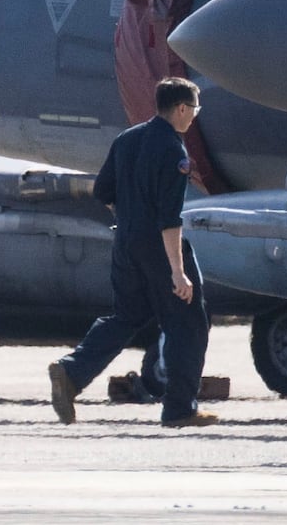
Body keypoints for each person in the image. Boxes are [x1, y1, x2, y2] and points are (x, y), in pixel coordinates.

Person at [48, 77, 217, 428]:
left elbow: (102, 190)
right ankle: (180, 408)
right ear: (182, 108)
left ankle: (72, 371)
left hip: (125, 242)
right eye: (195, 110)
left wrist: (129, 217)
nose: (194, 117)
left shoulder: (128, 138)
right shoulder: (174, 151)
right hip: (159, 247)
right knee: (187, 323)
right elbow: (169, 218)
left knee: (126, 317)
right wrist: (177, 272)